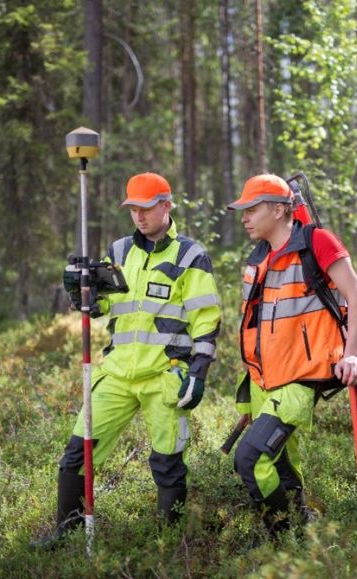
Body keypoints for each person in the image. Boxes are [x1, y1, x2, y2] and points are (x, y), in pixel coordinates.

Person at [33, 172, 221, 548]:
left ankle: (169, 546)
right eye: (133, 208)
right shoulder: (118, 252)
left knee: (168, 464)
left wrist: (198, 373)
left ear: (166, 206)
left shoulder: (190, 255)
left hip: (165, 376)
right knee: (78, 452)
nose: (139, 216)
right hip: (117, 373)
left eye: (146, 208)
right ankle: (66, 534)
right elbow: (101, 305)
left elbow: (206, 319)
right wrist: (82, 295)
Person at [226, 174, 357, 537]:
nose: (244, 217)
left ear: (278, 209)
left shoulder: (318, 242)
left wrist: (351, 356)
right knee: (283, 462)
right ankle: (302, 528)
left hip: (301, 378)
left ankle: (282, 536)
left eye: (252, 209)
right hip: (263, 381)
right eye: (242, 210)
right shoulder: (258, 257)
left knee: (250, 458)